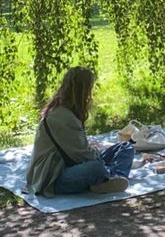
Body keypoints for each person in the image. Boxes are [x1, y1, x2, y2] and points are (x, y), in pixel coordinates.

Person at [25, 66, 135, 197]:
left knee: (125, 147)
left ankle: (109, 180)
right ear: (82, 91)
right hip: (53, 177)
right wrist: (96, 153)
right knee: (96, 167)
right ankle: (108, 178)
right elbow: (82, 155)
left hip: (70, 163)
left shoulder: (66, 110)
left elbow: (78, 149)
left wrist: (95, 150)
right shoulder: (61, 116)